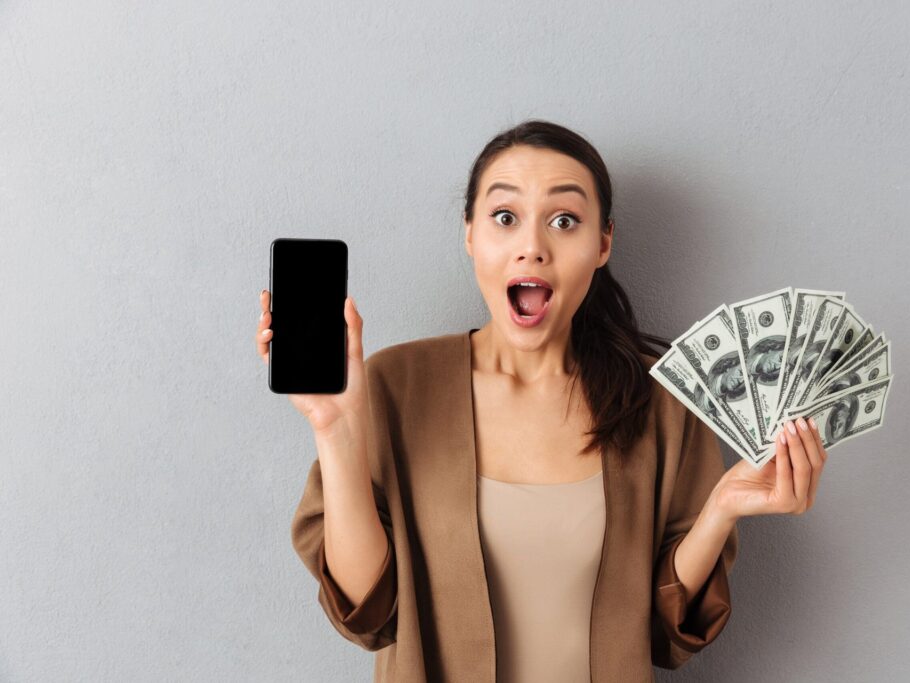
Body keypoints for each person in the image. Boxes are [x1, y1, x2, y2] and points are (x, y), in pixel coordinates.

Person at [256, 119, 829, 682]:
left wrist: (722, 508)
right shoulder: (394, 385)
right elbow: (367, 614)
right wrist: (334, 430)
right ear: (470, 235)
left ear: (602, 243)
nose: (532, 248)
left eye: (564, 220)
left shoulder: (663, 402)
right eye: (505, 217)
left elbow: (666, 633)